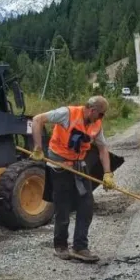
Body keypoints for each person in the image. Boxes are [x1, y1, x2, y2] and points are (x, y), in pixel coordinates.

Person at [31, 96, 114, 263]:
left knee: (87, 204)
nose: (101, 118)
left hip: (78, 165)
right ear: (92, 110)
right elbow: (37, 119)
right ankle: (60, 246)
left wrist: (107, 173)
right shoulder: (66, 114)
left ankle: (80, 247)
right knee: (63, 207)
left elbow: (103, 148)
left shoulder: (96, 124)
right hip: (59, 165)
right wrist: (38, 147)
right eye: (101, 114)